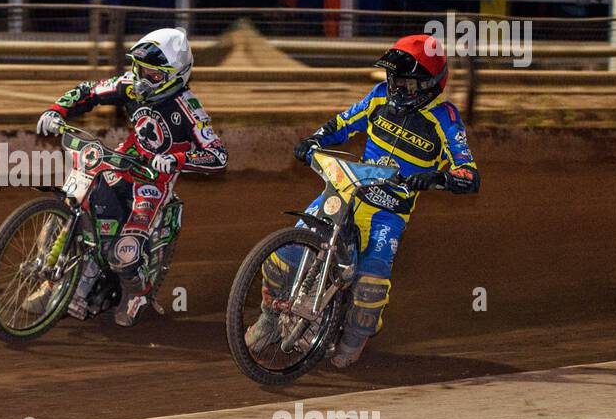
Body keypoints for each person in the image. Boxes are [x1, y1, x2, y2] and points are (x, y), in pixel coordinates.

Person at [248, 34, 480, 368]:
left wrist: (439, 177)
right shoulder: (379, 96)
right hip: (346, 189)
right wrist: (314, 139)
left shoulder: (445, 118)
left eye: (406, 82)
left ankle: (353, 342)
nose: (396, 87)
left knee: (370, 284)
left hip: (387, 212)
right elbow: (344, 122)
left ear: (429, 85)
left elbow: (469, 172)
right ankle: (271, 318)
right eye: (393, 79)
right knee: (281, 256)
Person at [34, 28, 227, 326]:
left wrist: (175, 159)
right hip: (120, 163)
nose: (142, 79)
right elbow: (89, 91)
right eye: (140, 69)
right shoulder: (131, 86)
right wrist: (57, 110)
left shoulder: (189, 109)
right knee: (80, 204)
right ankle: (55, 283)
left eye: (153, 74)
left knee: (123, 253)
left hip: (152, 183)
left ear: (177, 75)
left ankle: (135, 294)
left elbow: (218, 154)